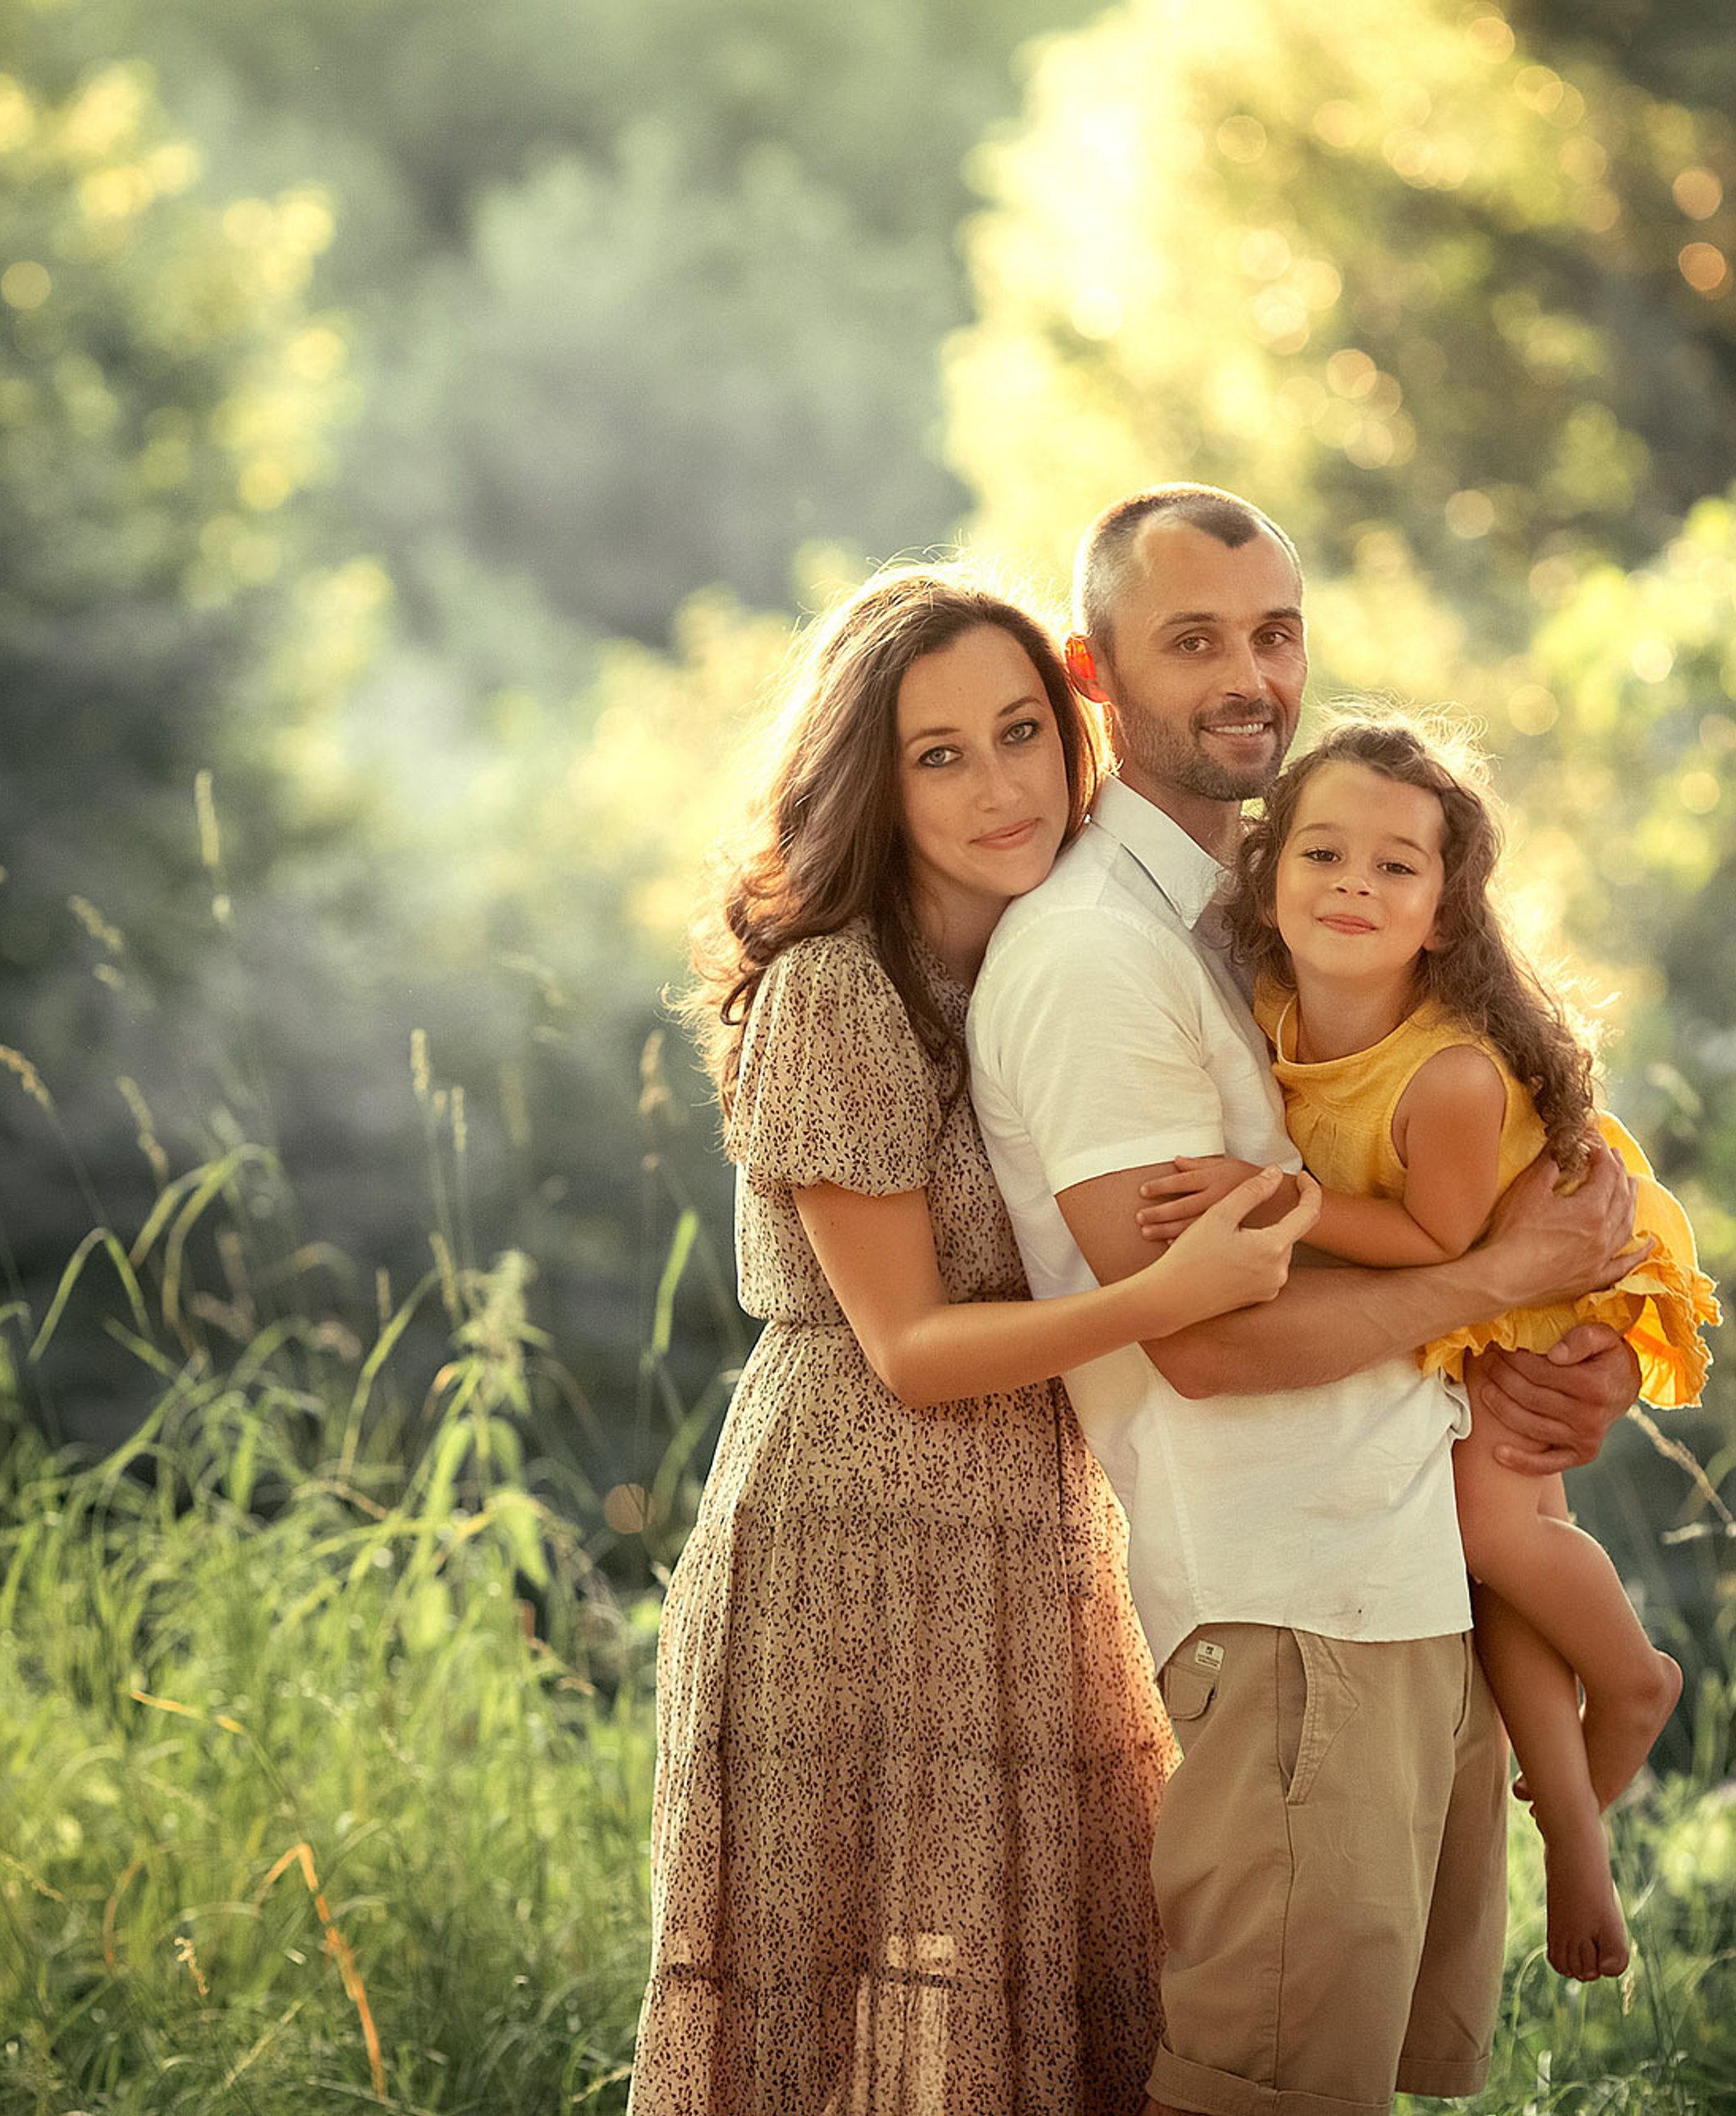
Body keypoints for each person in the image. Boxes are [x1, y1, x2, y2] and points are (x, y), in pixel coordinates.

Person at [965, 486, 1648, 2116]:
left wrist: (1556, 1347)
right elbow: (1197, 1340)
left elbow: (1459, 1219)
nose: (1247, 674)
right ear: (1093, 672)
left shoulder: (1271, 931)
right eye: (1189, 638)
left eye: (1271, 631)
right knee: (1263, 2086)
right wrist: (1498, 1277)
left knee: (1356, 2082)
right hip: (1285, 1609)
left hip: (1401, 1570)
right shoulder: (1090, 956)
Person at [627, 563, 1320, 2115]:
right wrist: (1170, 1295)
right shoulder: (839, 988)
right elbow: (910, 1347)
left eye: (1022, 731)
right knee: (853, 2010)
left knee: (1055, 1994)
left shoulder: (1047, 958)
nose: (1002, 787)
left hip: (1033, 1526)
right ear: (874, 781)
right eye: (941, 754)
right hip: (850, 1533)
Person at [1134, 715, 1716, 1982]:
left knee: (1497, 1538)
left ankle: (1631, 1680)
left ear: (1446, 917)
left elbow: (1434, 1237)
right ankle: (1573, 1838)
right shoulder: (1273, 997)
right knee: (1489, 1564)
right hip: (1484, 1281)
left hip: (1547, 1281)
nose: (1353, 883)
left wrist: (1268, 1192)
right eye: (1324, 855)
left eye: (1396, 869)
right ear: (1267, 874)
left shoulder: (1446, 1076)